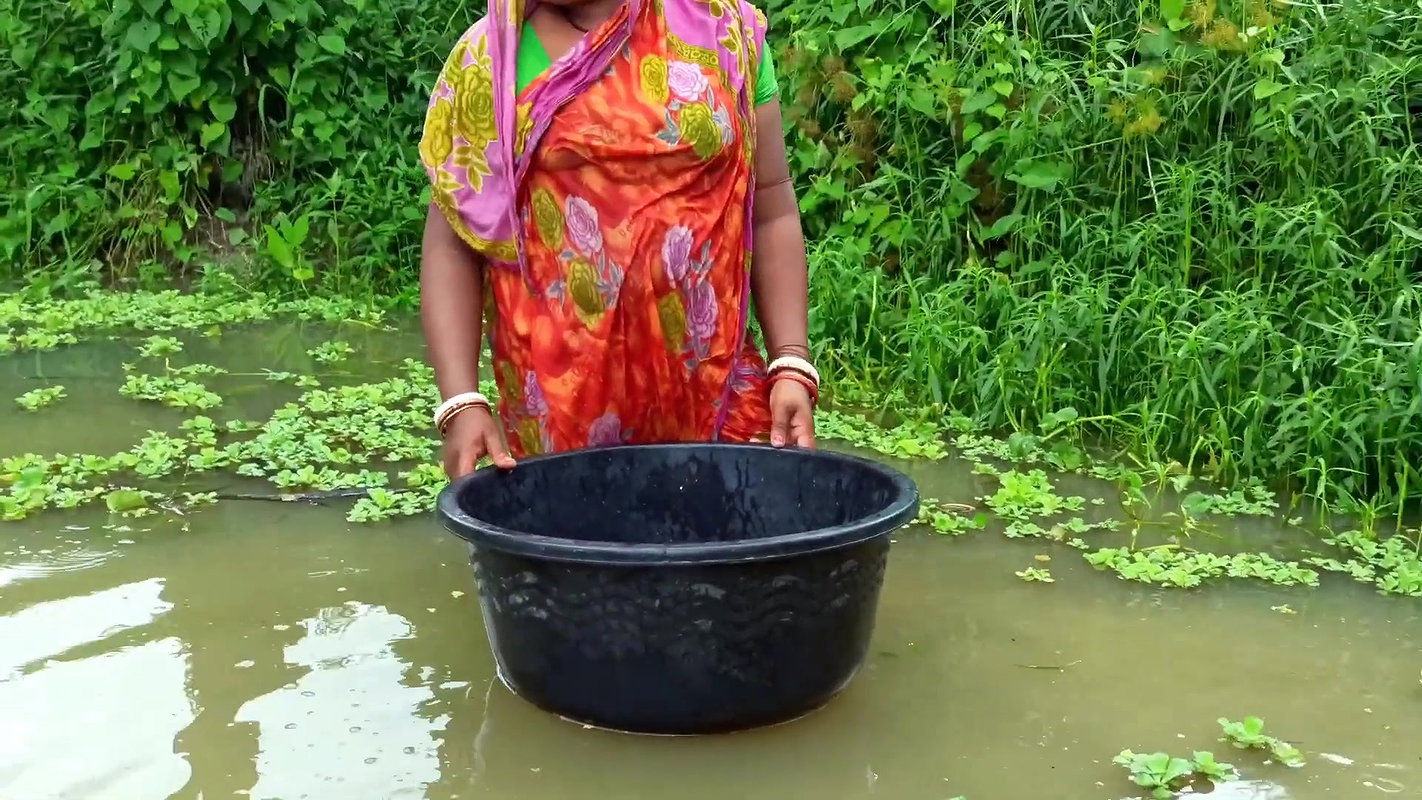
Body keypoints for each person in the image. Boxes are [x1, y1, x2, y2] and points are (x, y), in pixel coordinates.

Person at [418, 0, 819, 479]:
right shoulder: (489, 61)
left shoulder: (722, 32)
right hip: (560, 423)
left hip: (718, 406)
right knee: (575, 547)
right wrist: (462, 402)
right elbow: (453, 244)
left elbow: (771, 208)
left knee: (729, 543)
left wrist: (791, 362)